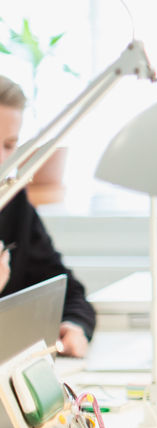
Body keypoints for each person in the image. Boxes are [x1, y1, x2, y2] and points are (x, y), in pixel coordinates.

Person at [0, 75, 97, 356]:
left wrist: (73, 325)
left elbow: (69, 292)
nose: (2, 160)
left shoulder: (13, 202)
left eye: (8, 145)